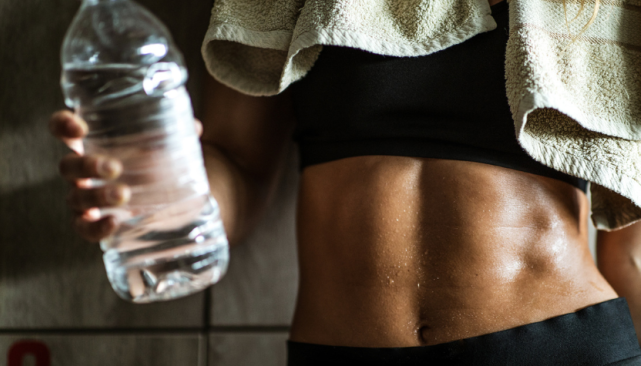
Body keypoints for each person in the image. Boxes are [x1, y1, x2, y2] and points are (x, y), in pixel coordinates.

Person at [49, 0, 641, 364]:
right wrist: (148, 183)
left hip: (559, 348)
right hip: (339, 355)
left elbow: (630, 248)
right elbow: (238, 174)